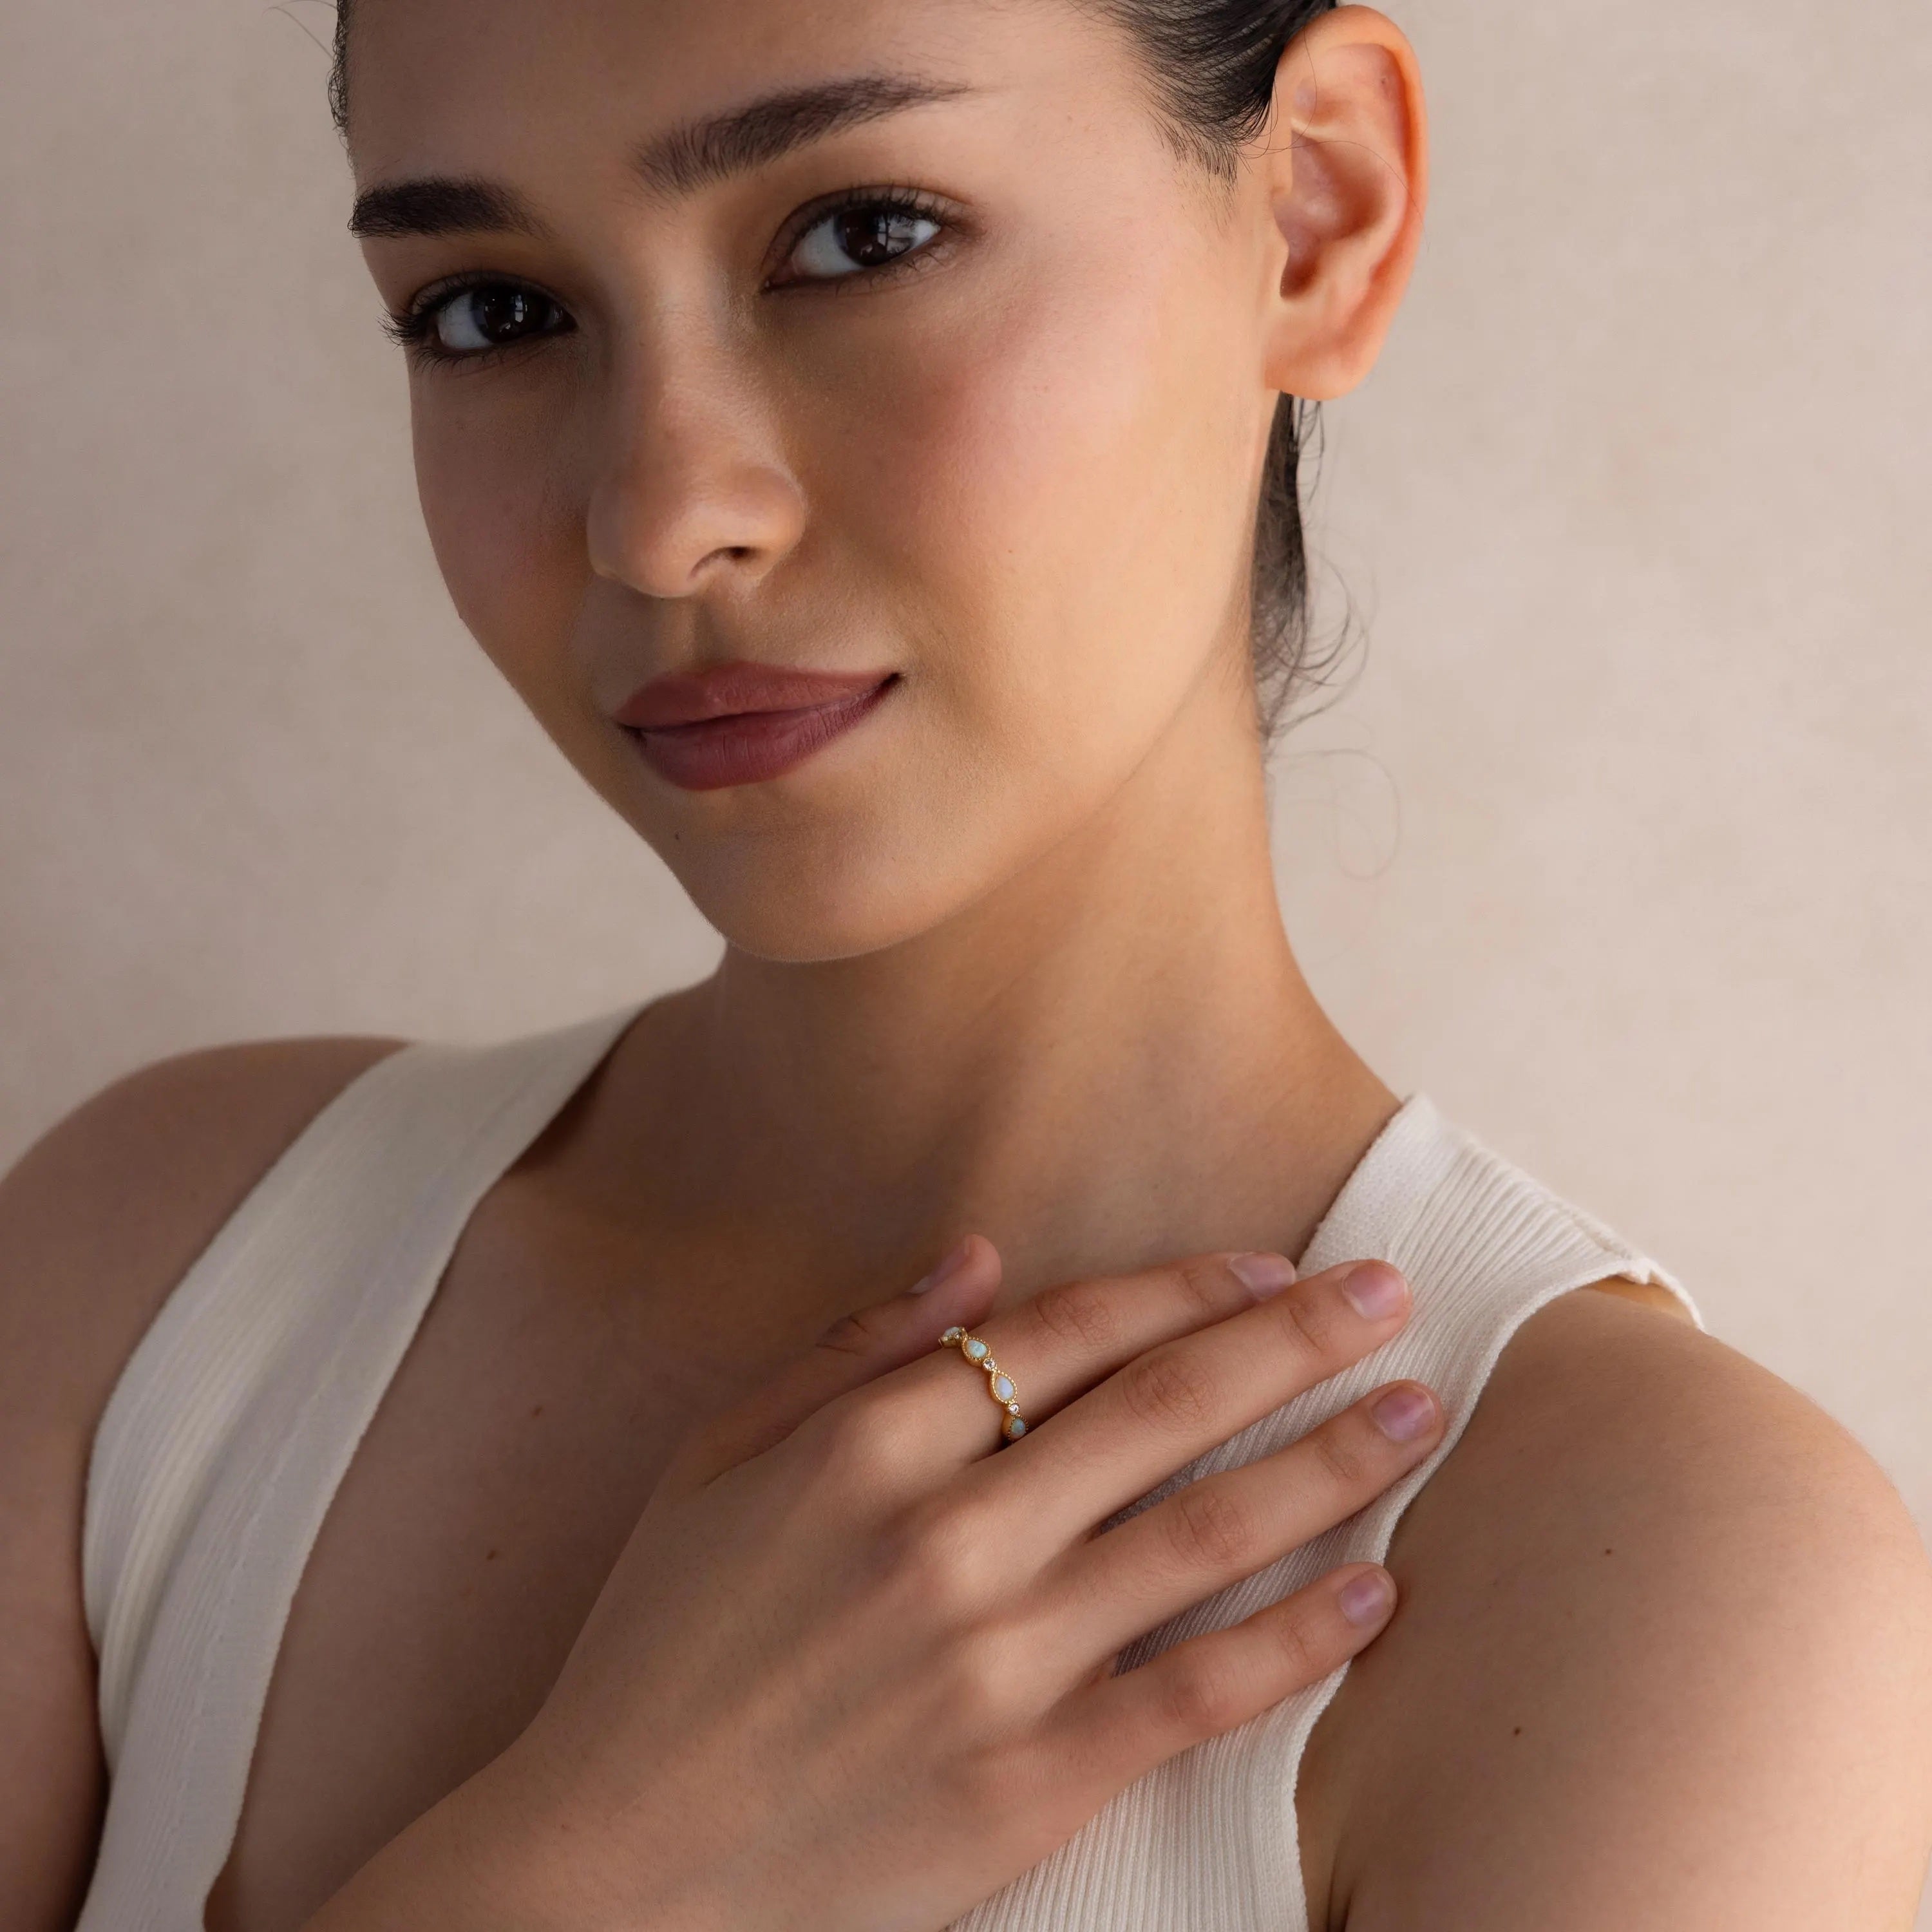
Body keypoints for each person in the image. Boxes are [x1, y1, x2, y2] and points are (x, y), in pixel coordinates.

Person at [3, 0, 1929, 1927]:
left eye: (862, 236)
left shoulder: (1654, 1588)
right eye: (492, 312)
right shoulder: (153, 1266)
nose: (665, 523)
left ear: (1318, 213)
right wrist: (595, 1872)